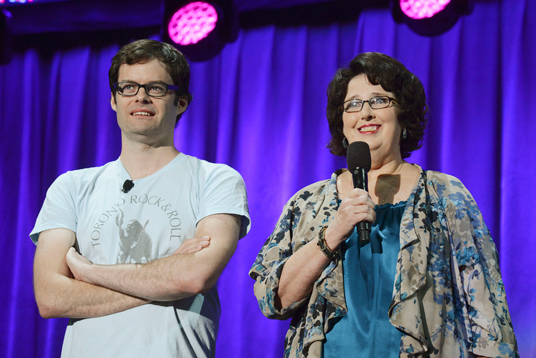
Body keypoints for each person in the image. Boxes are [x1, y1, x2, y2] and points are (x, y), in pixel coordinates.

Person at [249, 52, 518, 358]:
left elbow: (486, 311)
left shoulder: (446, 194)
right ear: (343, 121)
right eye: (353, 104)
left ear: (402, 114)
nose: (365, 113)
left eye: (379, 100)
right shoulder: (307, 202)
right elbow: (273, 300)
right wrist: (333, 232)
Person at [31, 39, 250, 358]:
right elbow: (50, 297)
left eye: (157, 88)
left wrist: (88, 273)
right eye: (128, 87)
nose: (141, 97)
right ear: (113, 100)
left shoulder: (215, 179)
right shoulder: (72, 186)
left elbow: (193, 277)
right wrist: (164, 275)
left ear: (182, 102)